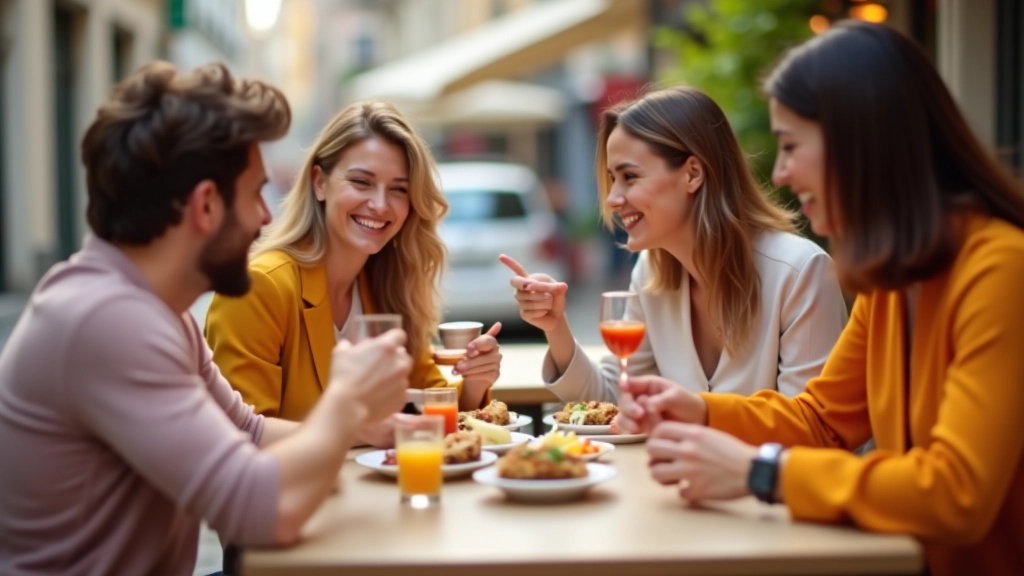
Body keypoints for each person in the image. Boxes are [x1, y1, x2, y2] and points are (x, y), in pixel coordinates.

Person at [615, 21, 1024, 576]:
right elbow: (823, 420)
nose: (780, 171)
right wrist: (702, 409)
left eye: (790, 146)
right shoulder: (893, 280)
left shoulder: (1001, 268)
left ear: (862, 143)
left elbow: (957, 493)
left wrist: (763, 473)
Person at [0, 62, 412, 575]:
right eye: (255, 193)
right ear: (206, 205)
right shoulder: (106, 320)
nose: (266, 217)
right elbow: (264, 515)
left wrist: (370, 428)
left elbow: (248, 431)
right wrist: (345, 404)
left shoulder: (158, 311)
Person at [502, 86, 847, 402]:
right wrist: (555, 325)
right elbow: (614, 400)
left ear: (693, 174)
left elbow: (811, 431)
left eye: (630, 176)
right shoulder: (652, 272)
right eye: (612, 180)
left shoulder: (801, 272)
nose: (613, 199)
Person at [204, 100, 501, 445]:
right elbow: (239, 437)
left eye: (399, 189)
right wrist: (353, 431)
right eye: (362, 182)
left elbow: (433, 404)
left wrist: (476, 381)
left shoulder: (388, 286)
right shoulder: (260, 286)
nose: (380, 204)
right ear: (319, 182)